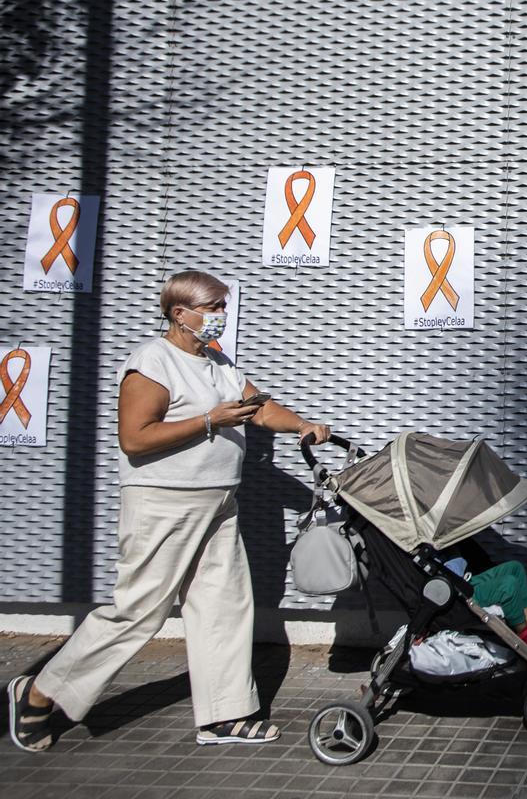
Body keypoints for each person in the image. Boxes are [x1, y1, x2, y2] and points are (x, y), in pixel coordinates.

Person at [8, 270, 331, 752]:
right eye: (213, 308)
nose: (222, 316)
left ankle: (224, 716)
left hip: (219, 500)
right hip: (165, 500)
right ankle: (39, 692)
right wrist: (207, 420)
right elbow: (135, 438)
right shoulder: (152, 363)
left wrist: (302, 424)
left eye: (223, 306)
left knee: (224, 607)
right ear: (180, 313)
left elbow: (258, 408)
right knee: (138, 612)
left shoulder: (217, 362)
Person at [464, 561, 527, 654]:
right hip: (460, 590)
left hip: (465, 580)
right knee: (508, 584)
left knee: (515, 568)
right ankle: (524, 632)